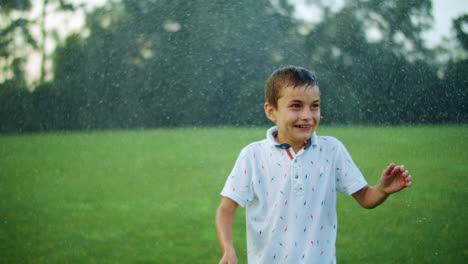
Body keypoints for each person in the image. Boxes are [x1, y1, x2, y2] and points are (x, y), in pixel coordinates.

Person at [215, 65, 412, 264]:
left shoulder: (332, 150)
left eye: (314, 106)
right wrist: (228, 250)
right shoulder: (253, 155)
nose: (307, 115)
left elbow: (366, 198)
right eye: (296, 106)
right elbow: (226, 210)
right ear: (271, 111)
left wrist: (383, 189)